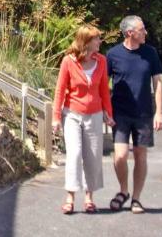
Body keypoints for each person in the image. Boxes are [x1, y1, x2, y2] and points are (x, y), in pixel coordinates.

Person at [52, 25, 115, 215]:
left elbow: (104, 88)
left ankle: (89, 198)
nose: (99, 42)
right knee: (75, 153)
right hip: (72, 113)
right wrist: (56, 117)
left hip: (94, 114)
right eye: (96, 39)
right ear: (86, 42)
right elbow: (60, 90)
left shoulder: (101, 61)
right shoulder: (68, 62)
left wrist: (108, 113)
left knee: (93, 156)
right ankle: (70, 197)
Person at [106, 15, 162, 214]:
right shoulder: (113, 54)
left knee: (140, 155)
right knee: (120, 157)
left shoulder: (150, 53)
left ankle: (136, 199)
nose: (145, 32)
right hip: (120, 114)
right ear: (130, 33)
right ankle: (123, 191)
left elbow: (157, 84)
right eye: (142, 29)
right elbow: (103, 84)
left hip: (144, 114)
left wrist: (160, 113)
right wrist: (105, 110)